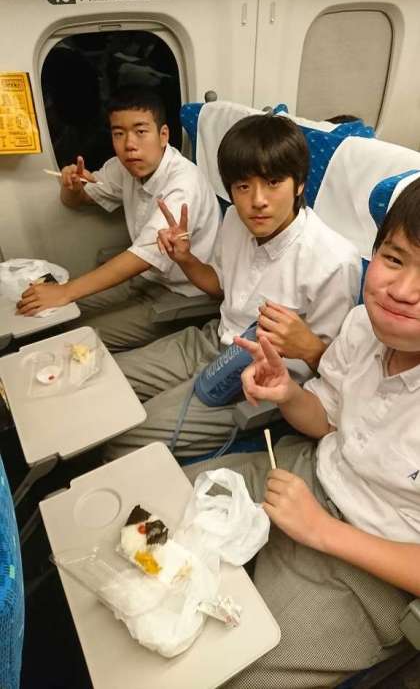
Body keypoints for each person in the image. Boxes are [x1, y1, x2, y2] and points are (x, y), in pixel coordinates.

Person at [183, 178, 420, 688]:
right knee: (167, 504)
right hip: (307, 474)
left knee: (233, 675)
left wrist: (320, 530)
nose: (401, 291)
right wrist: (288, 394)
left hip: (374, 565)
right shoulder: (361, 326)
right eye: (394, 258)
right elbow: (329, 419)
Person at [105, 113, 361, 460]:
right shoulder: (235, 221)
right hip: (213, 339)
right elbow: (220, 286)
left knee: (127, 440)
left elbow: (333, 374)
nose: (257, 201)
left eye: (273, 182)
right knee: (107, 383)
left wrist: (308, 347)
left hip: (255, 377)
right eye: (243, 187)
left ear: (299, 184)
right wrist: (186, 259)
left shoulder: (334, 261)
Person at [16, 88, 221, 351]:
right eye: (119, 134)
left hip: (182, 293)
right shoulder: (124, 168)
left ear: (163, 135)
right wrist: (72, 188)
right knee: (55, 316)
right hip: (147, 279)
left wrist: (65, 291)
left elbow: (142, 257)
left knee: (76, 337)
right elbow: (77, 201)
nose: (129, 144)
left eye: (140, 131)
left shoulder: (183, 184)